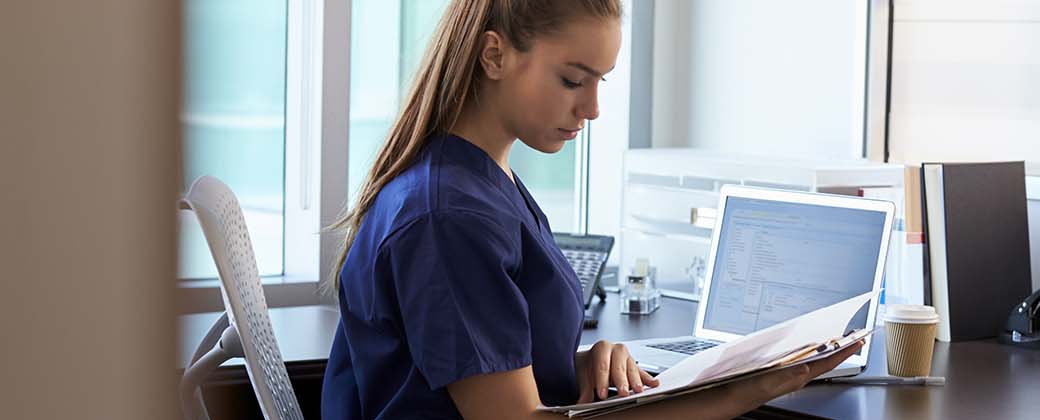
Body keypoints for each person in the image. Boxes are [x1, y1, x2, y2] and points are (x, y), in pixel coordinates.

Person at [320, 1, 861, 418]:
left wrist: (583, 363)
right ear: (494, 56)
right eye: (572, 80)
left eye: (600, 81)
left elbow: (483, 367)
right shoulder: (451, 215)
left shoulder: (480, 181)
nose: (593, 107)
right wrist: (756, 385)